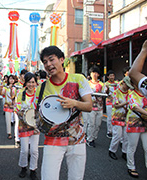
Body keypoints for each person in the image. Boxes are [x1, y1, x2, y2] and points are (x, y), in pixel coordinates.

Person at [33, 46, 92, 180]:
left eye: (51, 60)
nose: (48, 64)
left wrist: (74, 103)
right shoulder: (41, 88)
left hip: (77, 139)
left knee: (76, 177)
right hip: (52, 139)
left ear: (61, 60)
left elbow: (89, 106)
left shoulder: (78, 79)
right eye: (45, 62)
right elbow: (38, 116)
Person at [15, 72, 39, 180]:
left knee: (34, 150)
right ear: (26, 83)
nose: (31, 84)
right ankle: (23, 167)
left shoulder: (38, 94)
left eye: (33, 82)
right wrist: (23, 115)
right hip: (23, 125)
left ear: (36, 83)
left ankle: (33, 169)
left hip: (35, 125)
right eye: (29, 82)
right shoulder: (21, 93)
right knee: (24, 150)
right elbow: (16, 108)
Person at [108, 76, 133, 161]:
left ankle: (124, 152)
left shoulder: (130, 93)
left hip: (127, 117)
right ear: (123, 83)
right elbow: (115, 105)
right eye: (127, 85)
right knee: (117, 135)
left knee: (126, 137)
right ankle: (112, 150)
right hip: (117, 116)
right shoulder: (116, 92)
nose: (128, 87)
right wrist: (126, 102)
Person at [125, 82, 147, 178]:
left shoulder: (146, 94)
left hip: (145, 124)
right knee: (132, 146)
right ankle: (131, 166)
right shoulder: (131, 93)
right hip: (134, 123)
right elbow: (134, 106)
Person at [86, 65, 105, 147]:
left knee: (98, 125)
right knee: (91, 124)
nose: (94, 74)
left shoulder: (101, 84)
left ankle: (94, 137)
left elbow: (104, 94)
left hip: (100, 107)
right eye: (92, 72)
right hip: (91, 107)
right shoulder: (87, 83)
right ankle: (89, 139)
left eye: (96, 73)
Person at [0, 75, 16, 139]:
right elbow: (1, 93)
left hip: (14, 106)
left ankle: (16, 133)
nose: (11, 80)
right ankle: (9, 133)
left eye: (13, 79)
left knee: (16, 121)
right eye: (10, 79)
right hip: (7, 106)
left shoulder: (15, 88)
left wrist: (11, 89)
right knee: (8, 120)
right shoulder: (5, 87)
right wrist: (1, 88)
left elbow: (13, 96)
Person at [105, 70, 118, 138]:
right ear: (108, 77)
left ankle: (114, 131)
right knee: (109, 117)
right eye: (110, 76)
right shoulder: (106, 83)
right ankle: (109, 131)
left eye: (113, 75)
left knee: (115, 117)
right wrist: (107, 88)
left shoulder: (117, 83)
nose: (112, 77)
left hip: (116, 102)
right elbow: (105, 93)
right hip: (109, 102)